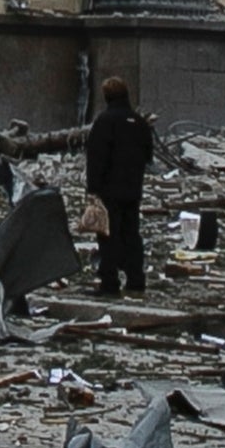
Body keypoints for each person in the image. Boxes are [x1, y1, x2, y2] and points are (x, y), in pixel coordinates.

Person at [84, 75, 155, 297]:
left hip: (109, 190)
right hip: (133, 189)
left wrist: (93, 189)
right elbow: (148, 155)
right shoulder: (139, 122)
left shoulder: (104, 122)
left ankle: (110, 283)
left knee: (108, 236)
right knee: (131, 234)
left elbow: (96, 157)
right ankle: (136, 280)